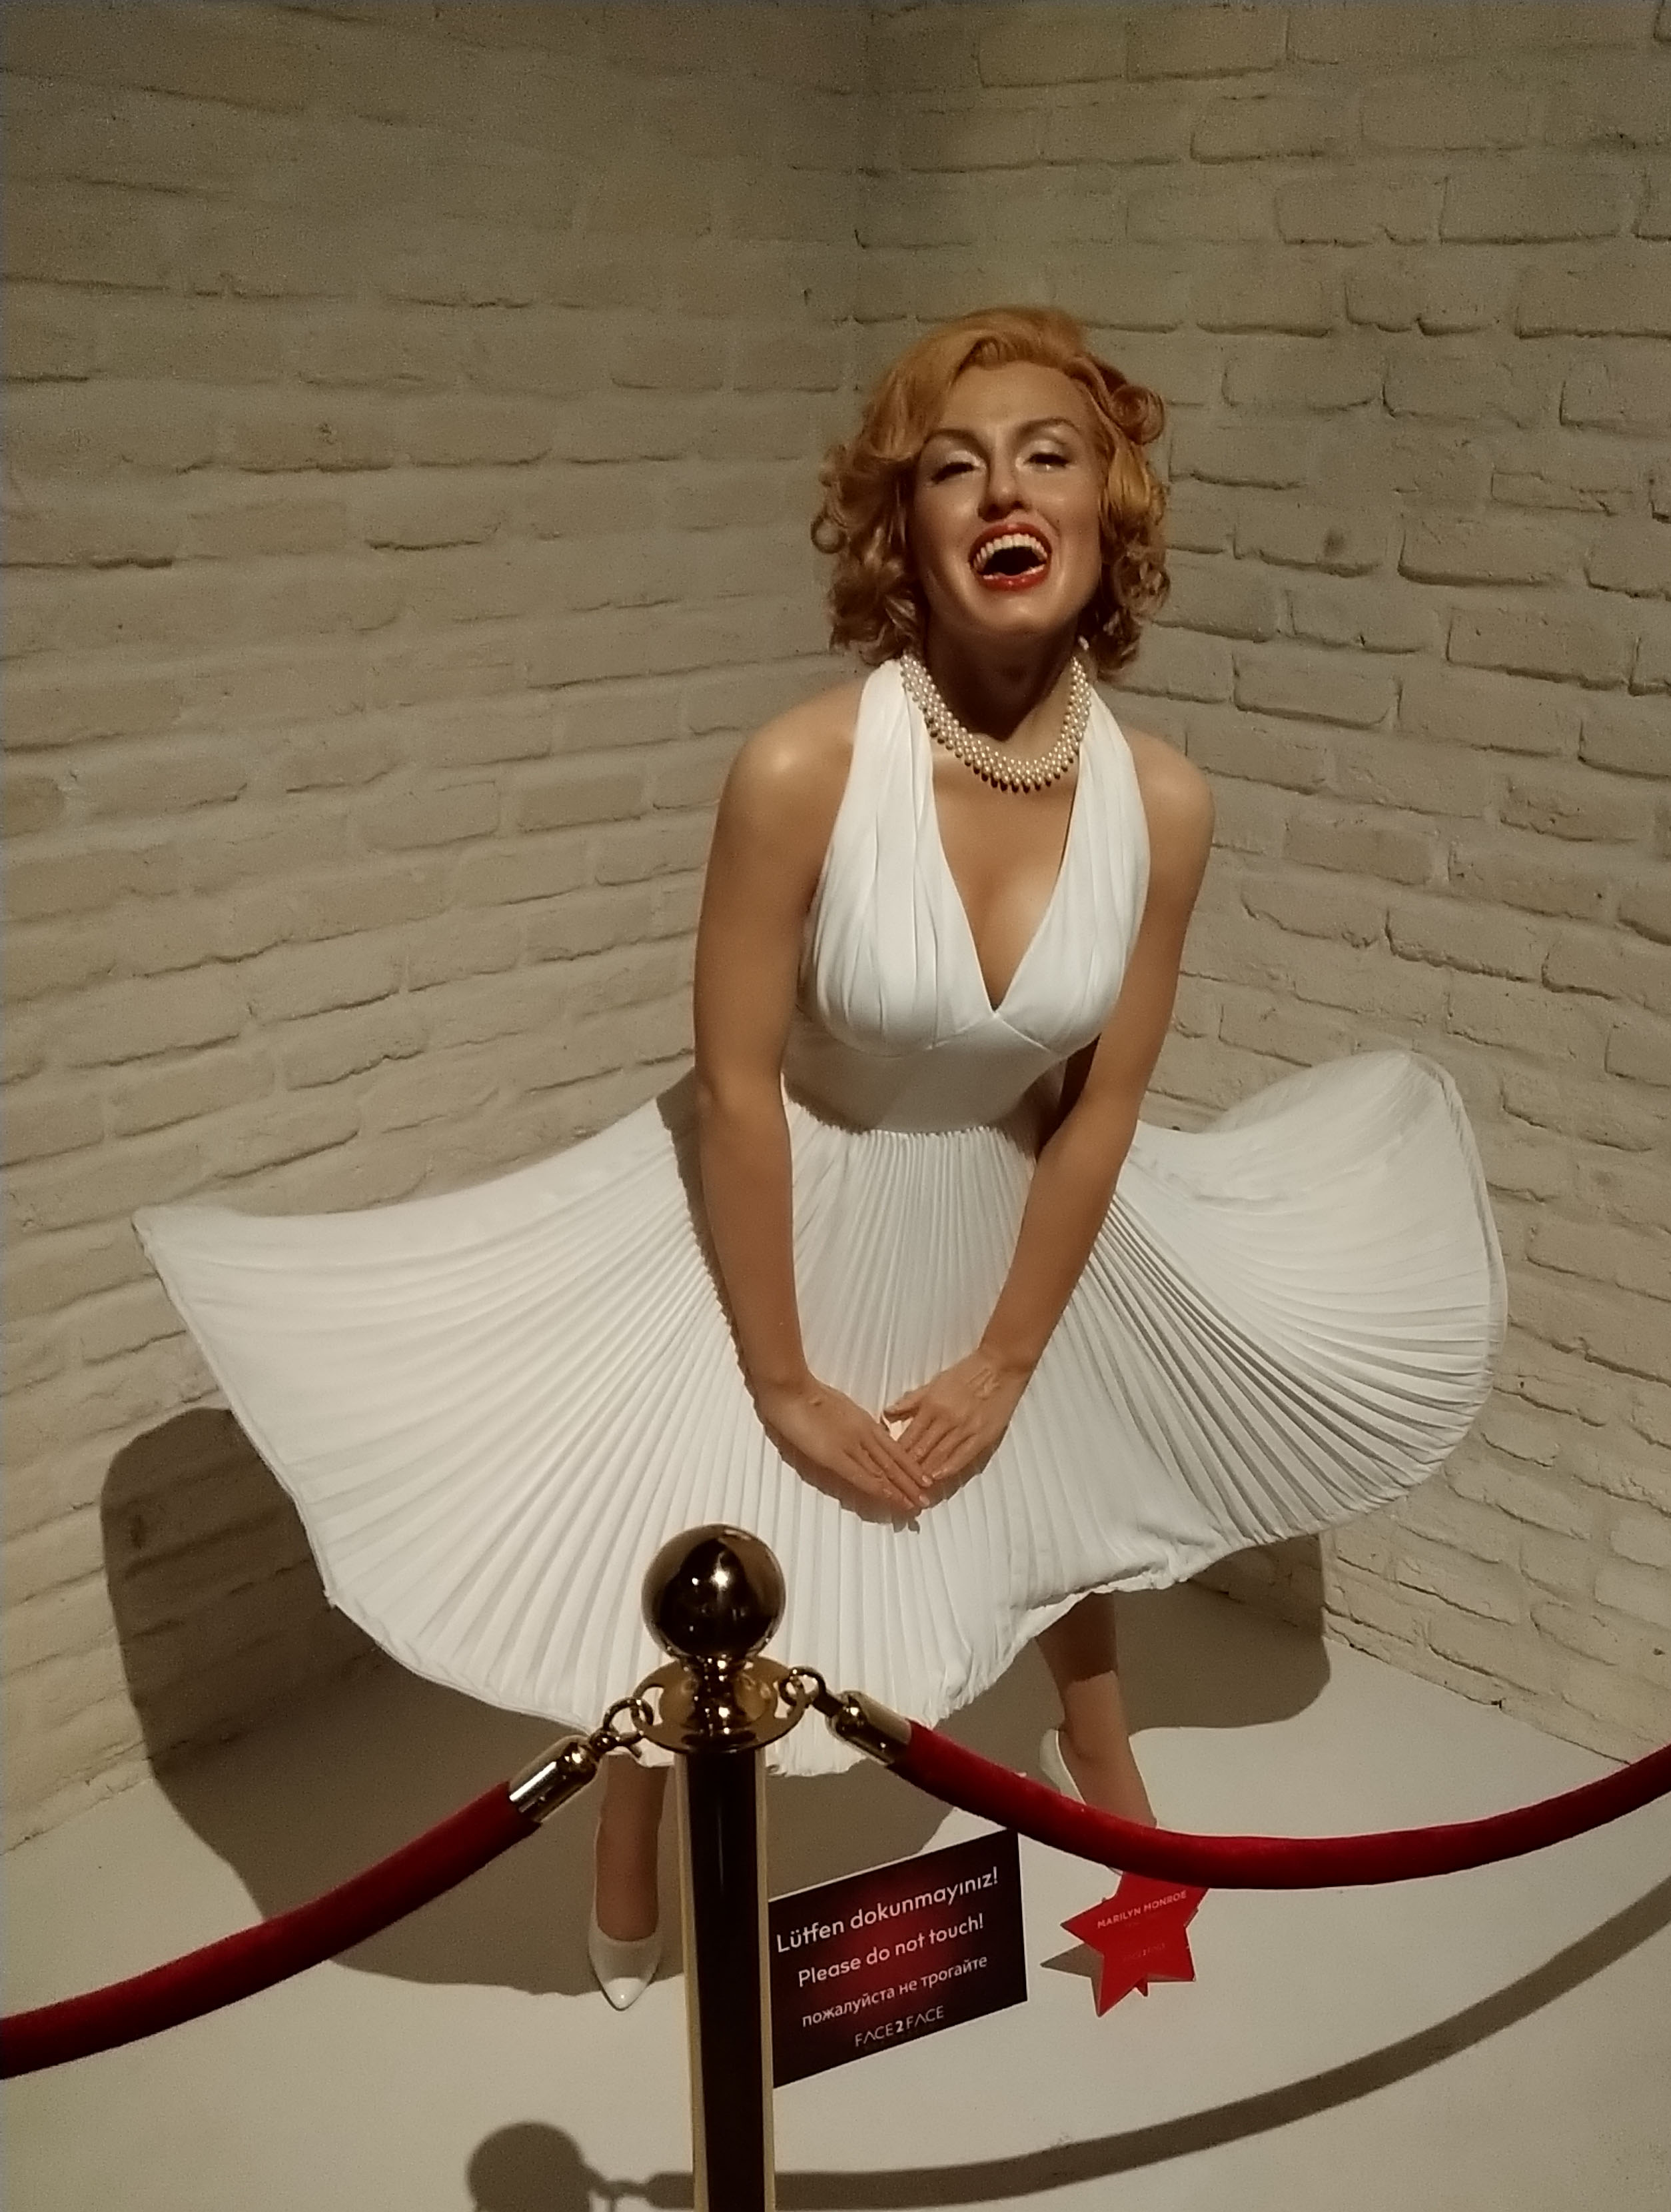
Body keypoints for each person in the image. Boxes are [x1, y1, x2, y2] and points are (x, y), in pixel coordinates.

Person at [136, 307, 1505, 2010]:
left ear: (1111, 509)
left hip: (1007, 1189)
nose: (1006, 490)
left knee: (1054, 1470)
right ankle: (630, 1810)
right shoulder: (802, 768)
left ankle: (1103, 1762)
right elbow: (732, 1089)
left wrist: (1010, 1356)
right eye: (954, 466)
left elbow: (1105, 1102)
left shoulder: (1163, 802)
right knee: (702, 1491)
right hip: (790, 1175)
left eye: (1049, 455)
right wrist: (781, 1378)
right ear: (901, 530)